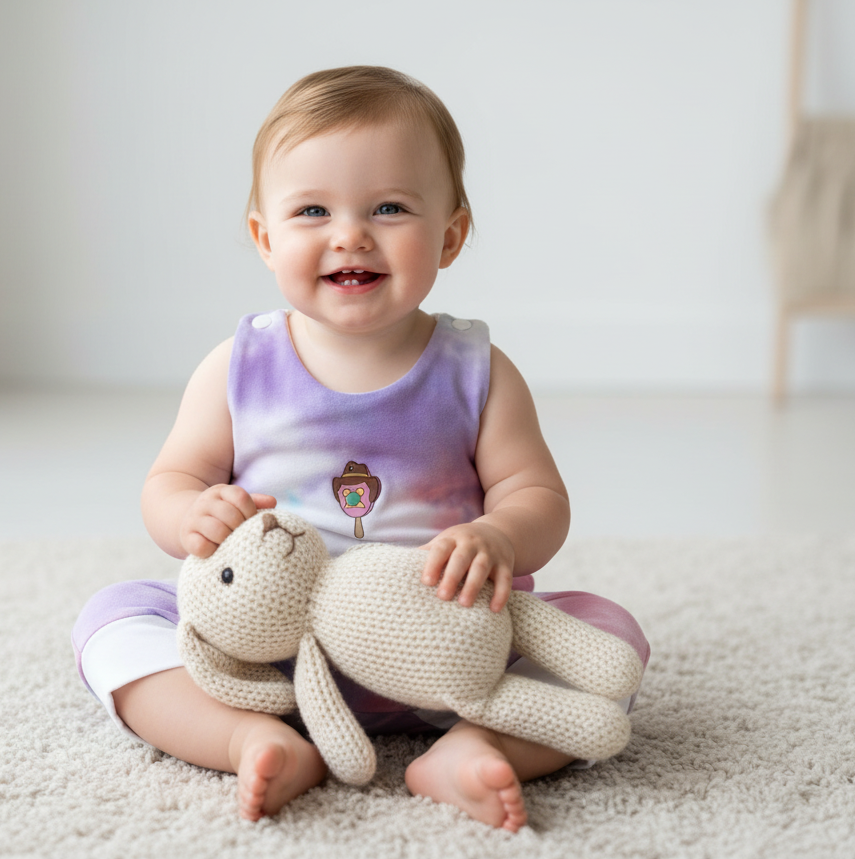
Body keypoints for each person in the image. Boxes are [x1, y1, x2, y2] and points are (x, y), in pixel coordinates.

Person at [72, 65, 649, 832]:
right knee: (114, 619)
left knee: (607, 632)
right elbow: (170, 480)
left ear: (450, 236)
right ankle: (252, 736)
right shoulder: (238, 368)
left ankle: (474, 747)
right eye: (313, 210)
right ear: (264, 237)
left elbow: (538, 496)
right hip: (272, 655)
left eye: (389, 207)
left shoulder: (476, 372)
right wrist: (193, 516)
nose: (351, 234)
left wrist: (498, 534)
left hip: (446, 653)